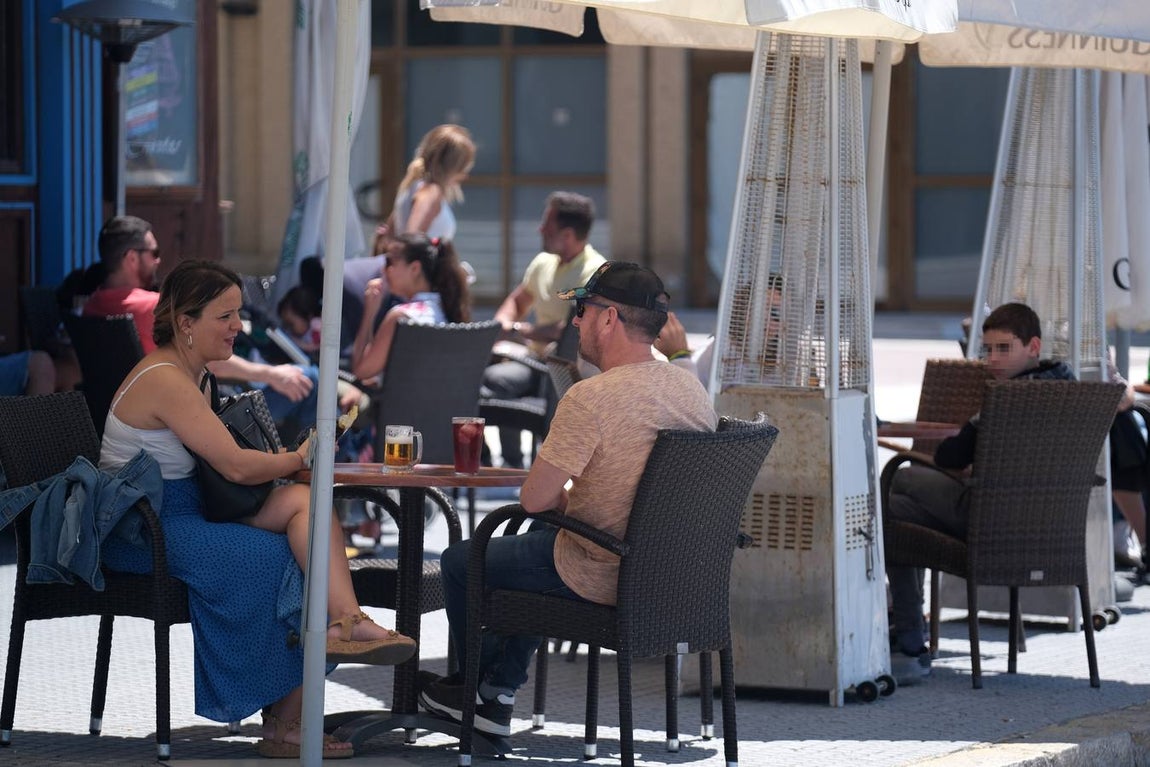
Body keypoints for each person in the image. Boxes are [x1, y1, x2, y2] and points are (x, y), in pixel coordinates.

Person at [97, 260, 416, 759]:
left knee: (308, 508)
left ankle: (346, 621)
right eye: (225, 316)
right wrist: (302, 455)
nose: (238, 327)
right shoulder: (165, 378)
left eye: (237, 314)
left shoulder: (193, 372)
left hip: (190, 509)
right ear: (186, 322)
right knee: (284, 559)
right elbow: (236, 466)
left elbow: (225, 469)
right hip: (144, 528)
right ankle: (285, 725)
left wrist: (297, 467)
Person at [420, 262, 717, 736]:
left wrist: (558, 503)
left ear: (608, 318)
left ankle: (479, 693)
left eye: (582, 309)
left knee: (462, 560)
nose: (574, 322)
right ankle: (492, 694)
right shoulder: (691, 389)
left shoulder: (590, 398)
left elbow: (535, 497)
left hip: (599, 570)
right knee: (540, 539)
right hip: (671, 578)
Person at [886, 303, 1075, 682]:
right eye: (988, 350)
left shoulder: (1007, 397)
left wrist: (973, 459)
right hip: (1049, 528)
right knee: (894, 511)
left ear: (1033, 346)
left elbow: (949, 454)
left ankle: (908, 636)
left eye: (1004, 349)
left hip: (986, 521)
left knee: (896, 484)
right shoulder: (1070, 388)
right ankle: (907, 629)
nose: (992, 359)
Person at [85, 215, 325, 439]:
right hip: (195, 420)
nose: (158, 260)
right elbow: (208, 357)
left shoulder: (92, 308)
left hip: (136, 421)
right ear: (132, 258)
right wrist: (271, 375)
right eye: (154, 253)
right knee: (311, 380)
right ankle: (324, 469)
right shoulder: (152, 308)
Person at [481, 192, 607, 468]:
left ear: (568, 234)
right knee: (491, 380)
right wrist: (503, 322)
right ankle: (508, 466)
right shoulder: (543, 263)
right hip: (534, 361)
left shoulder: (594, 272)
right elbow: (517, 300)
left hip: (566, 370)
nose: (540, 229)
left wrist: (521, 329)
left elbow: (571, 328)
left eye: (547, 225)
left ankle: (528, 467)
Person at [349, 232, 471, 382]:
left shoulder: (401, 317)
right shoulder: (446, 309)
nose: (383, 270)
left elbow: (361, 370)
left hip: (402, 404)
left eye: (389, 262)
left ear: (414, 268)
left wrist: (369, 313)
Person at [386, 124, 475, 244]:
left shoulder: (412, 186)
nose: (465, 176)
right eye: (462, 169)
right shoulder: (431, 192)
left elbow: (389, 235)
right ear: (450, 167)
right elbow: (412, 239)